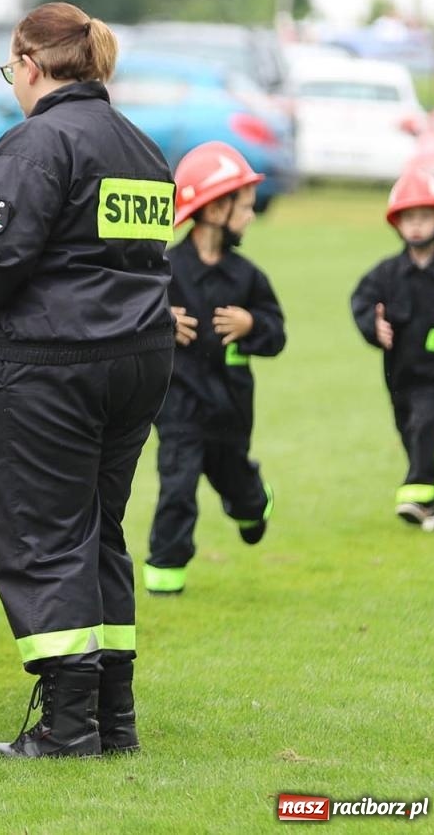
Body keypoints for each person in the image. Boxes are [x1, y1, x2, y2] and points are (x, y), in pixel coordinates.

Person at [0, 2, 175, 758]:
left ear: (27, 63)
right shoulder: (142, 147)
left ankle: (68, 726)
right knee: (96, 532)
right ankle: (113, 718)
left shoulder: (34, 145)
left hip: (54, 367)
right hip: (139, 360)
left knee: (42, 539)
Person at [144, 142, 285, 596]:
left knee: (235, 480)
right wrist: (161, 321)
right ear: (214, 208)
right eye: (244, 207)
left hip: (230, 409)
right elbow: (130, 320)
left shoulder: (249, 278)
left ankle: (252, 504)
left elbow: (276, 335)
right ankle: (165, 570)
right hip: (178, 406)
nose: (251, 215)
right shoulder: (162, 272)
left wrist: (253, 323)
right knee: (177, 487)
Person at [350, 166, 434, 533]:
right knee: (409, 429)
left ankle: (414, 497)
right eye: (409, 218)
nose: (416, 225)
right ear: (397, 223)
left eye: (424, 216)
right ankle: (431, 502)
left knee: (423, 424)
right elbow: (360, 301)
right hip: (400, 376)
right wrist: (373, 326)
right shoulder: (385, 274)